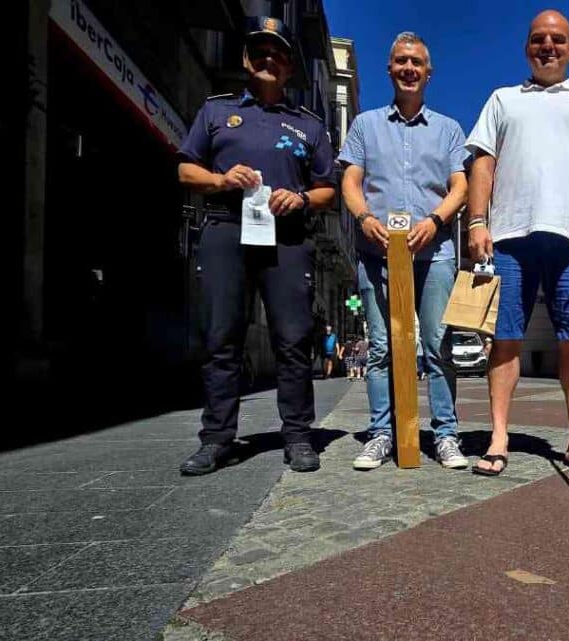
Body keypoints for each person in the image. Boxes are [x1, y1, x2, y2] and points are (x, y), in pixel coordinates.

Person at [466, 10, 569, 477]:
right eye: (539, 39)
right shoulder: (503, 99)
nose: (548, 46)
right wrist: (477, 221)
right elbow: (483, 166)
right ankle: (499, 438)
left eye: (558, 39)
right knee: (506, 341)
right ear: (527, 48)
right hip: (510, 239)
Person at [176, 17, 335, 475]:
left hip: (287, 239)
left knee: (292, 341)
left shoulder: (309, 125)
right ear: (247, 60)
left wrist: (301, 197)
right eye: (260, 52)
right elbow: (185, 170)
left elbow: (329, 188)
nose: (269, 59)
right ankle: (217, 438)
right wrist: (221, 179)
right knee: (221, 338)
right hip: (226, 228)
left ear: (289, 67)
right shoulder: (215, 111)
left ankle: (299, 436)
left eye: (278, 54)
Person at [339, 31, 469, 470]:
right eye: (401, 62)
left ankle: (446, 435)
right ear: (390, 69)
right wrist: (364, 218)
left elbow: (461, 186)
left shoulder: (450, 129)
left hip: (435, 254)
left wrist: (435, 221)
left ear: (428, 72)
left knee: (437, 344)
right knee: (380, 347)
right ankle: (381, 434)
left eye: (417, 62)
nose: (409, 69)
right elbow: (351, 181)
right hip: (377, 253)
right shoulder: (365, 125)